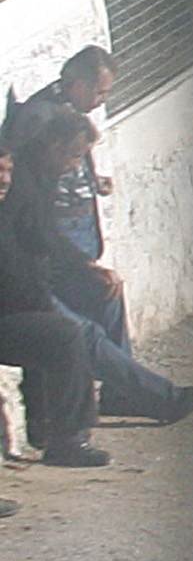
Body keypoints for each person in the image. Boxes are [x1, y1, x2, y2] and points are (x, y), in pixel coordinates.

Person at [7, 46, 193, 423]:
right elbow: (35, 235)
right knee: (78, 333)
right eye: (99, 92)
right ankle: (160, 399)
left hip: (57, 249)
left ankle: (124, 393)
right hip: (30, 273)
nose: (102, 101)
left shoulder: (59, 137)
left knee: (106, 297)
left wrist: (88, 266)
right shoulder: (32, 144)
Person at [0, 140, 105, 467]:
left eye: (9, 170)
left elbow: (43, 243)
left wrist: (88, 269)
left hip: (18, 311)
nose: (5, 179)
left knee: (67, 334)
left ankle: (66, 439)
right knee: (66, 333)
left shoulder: (10, 209)